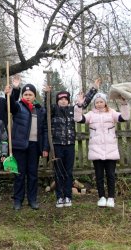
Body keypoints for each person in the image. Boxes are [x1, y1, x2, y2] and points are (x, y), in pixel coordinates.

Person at [44, 79, 100, 208]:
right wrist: (47, 94)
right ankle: (59, 197)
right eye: (60, 99)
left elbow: (83, 104)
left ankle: (68, 196)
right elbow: (46, 106)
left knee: (68, 172)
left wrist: (93, 89)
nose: (63, 101)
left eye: (65, 99)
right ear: (57, 101)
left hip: (69, 145)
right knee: (58, 172)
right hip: (57, 145)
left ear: (68, 101)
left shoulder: (71, 110)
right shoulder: (53, 110)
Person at [74, 92, 130, 208]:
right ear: (94, 104)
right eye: (97, 102)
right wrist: (79, 106)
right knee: (99, 176)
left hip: (110, 150)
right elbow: (78, 119)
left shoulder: (112, 113)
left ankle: (111, 197)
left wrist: (124, 103)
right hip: (96, 150)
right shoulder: (91, 114)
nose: (99, 104)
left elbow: (124, 117)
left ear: (105, 102)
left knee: (110, 175)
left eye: (101, 102)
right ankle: (101, 197)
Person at [4, 82, 48, 210]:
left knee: (33, 174)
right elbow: (10, 105)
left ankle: (32, 200)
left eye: (30, 94)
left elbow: (44, 129)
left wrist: (45, 147)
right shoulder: (18, 106)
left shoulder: (40, 109)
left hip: (34, 146)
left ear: (34, 96)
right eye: (25, 94)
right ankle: (18, 200)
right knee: (19, 174)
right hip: (20, 146)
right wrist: (10, 93)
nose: (28, 96)